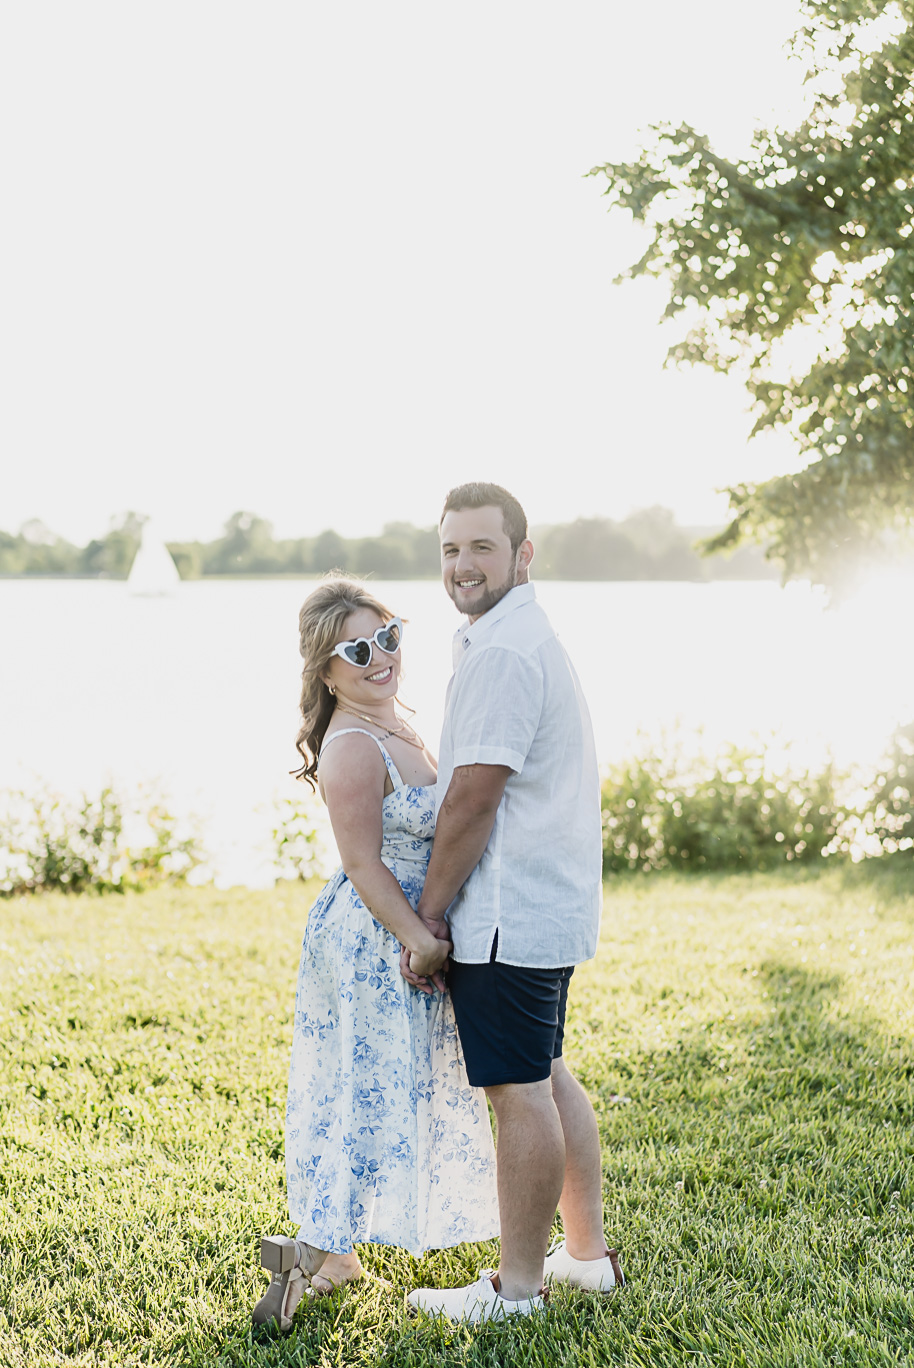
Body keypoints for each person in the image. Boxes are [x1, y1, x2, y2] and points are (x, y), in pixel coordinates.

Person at [402, 482, 624, 1323]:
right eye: (451, 549)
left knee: (519, 1092)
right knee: (545, 1073)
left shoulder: (501, 652)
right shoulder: (509, 636)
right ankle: (586, 1258)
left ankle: (519, 1290)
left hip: (505, 913)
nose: (462, 565)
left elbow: (472, 800)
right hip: (539, 906)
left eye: (482, 548)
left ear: (523, 555)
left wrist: (428, 913)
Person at [253, 578, 497, 1333]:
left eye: (388, 635)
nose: (379, 656)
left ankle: (332, 1254)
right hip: (373, 937)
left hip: (403, 928)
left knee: (386, 1089)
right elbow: (362, 864)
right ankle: (315, 1250)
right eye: (356, 649)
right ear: (326, 671)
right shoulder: (352, 745)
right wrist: (419, 937)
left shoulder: (401, 724)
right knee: (360, 1089)